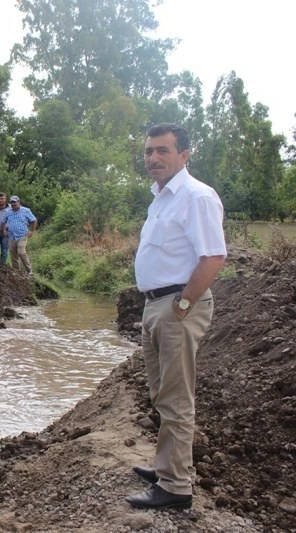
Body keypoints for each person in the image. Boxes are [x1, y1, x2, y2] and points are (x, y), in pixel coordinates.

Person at [125, 123, 226, 510]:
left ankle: (176, 486)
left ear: (184, 155)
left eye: (163, 151)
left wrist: (183, 304)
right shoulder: (161, 198)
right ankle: (166, 466)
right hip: (157, 306)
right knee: (160, 393)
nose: (153, 158)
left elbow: (214, 257)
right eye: (149, 151)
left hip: (177, 307)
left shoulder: (196, 197)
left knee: (176, 398)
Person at [2, 195, 37, 275]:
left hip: (22, 236)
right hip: (11, 236)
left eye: (15, 202)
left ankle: (29, 270)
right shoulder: (8, 212)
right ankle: (16, 271)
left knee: (21, 252)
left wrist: (31, 231)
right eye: (12, 202)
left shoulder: (26, 210)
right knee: (13, 254)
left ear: (18, 202)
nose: (13, 204)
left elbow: (34, 220)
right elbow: (3, 222)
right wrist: (4, 230)